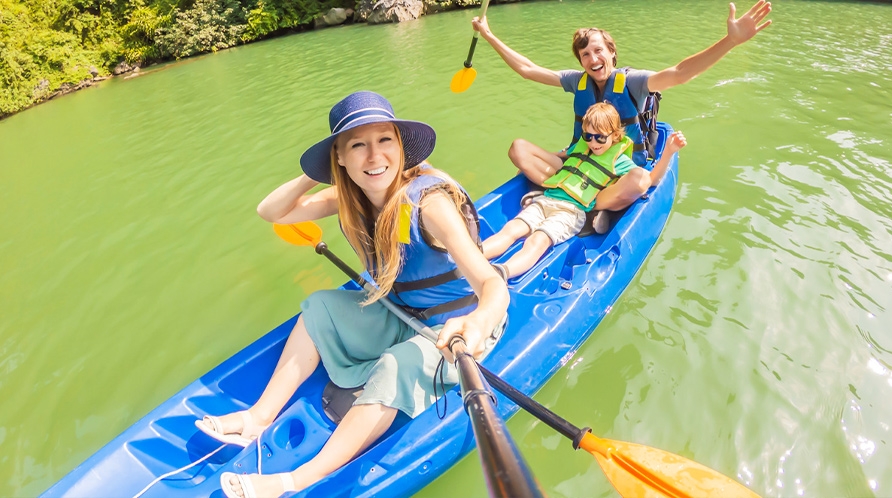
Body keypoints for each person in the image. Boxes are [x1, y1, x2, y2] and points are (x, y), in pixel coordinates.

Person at [194, 91, 510, 498]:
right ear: (339, 158)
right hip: (401, 313)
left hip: (456, 330)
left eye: (385, 140)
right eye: (357, 145)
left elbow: (491, 285)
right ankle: (258, 418)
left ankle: (298, 480)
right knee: (318, 307)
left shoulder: (430, 205)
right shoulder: (350, 197)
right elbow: (271, 212)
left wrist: (478, 322)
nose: (374, 156)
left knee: (397, 365)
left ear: (400, 146)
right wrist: (317, 172)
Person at [471, 1, 771, 211]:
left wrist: (730, 41)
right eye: (585, 55)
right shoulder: (577, 81)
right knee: (519, 150)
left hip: (617, 173)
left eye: (598, 50)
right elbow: (527, 69)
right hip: (580, 166)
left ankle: (588, 203)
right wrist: (488, 35)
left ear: (612, 53)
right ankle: (571, 192)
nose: (593, 59)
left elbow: (680, 73)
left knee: (639, 182)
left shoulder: (633, 82)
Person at [483, 102, 686, 280]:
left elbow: (651, 180)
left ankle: (502, 271)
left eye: (600, 138)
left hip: (572, 211)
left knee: (538, 240)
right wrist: (530, 167)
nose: (593, 142)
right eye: (588, 136)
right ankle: (475, 257)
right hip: (546, 199)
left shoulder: (619, 161)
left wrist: (669, 151)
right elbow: (563, 157)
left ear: (615, 136)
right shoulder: (582, 148)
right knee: (511, 229)